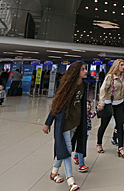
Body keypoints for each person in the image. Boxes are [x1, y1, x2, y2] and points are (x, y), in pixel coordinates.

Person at [43, 62, 88, 191]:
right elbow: (56, 104)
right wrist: (48, 123)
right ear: (75, 72)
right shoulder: (67, 86)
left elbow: (81, 105)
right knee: (67, 150)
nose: (85, 71)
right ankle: (71, 181)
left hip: (76, 122)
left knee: (64, 149)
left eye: (85, 69)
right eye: (83, 69)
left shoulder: (83, 85)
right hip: (65, 123)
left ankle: (54, 172)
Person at [96, 59, 124, 158]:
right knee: (104, 125)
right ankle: (99, 144)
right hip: (108, 103)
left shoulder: (122, 77)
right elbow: (103, 90)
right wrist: (101, 103)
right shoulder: (110, 77)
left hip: (119, 103)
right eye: (121, 65)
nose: (123, 67)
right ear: (116, 66)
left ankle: (121, 148)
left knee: (120, 125)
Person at [73, 100, 96, 173]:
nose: (88, 106)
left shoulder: (89, 114)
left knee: (82, 146)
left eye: (89, 105)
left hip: (87, 132)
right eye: (86, 105)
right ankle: (81, 165)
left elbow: (92, 115)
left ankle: (76, 157)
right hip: (81, 132)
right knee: (81, 147)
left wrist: (97, 110)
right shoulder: (81, 115)